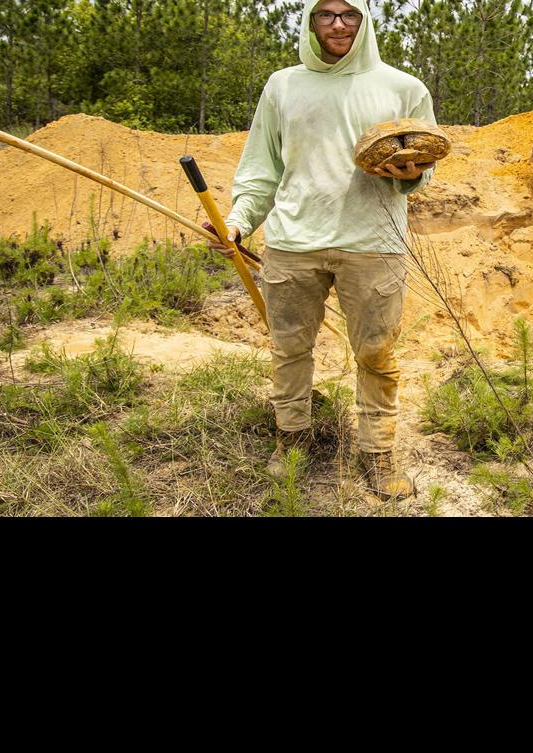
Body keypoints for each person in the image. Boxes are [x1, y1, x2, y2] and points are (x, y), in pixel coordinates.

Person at [203, 0, 434, 499]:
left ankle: (377, 453)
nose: (338, 24)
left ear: (365, 21)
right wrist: (239, 222)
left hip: (373, 243)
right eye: (326, 14)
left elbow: (423, 163)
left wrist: (410, 172)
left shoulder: (403, 88)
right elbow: (261, 167)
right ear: (310, 20)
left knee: (376, 353)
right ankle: (292, 438)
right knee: (289, 349)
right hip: (292, 243)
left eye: (349, 14)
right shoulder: (283, 85)